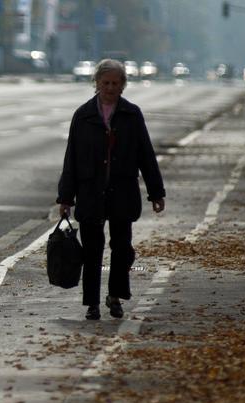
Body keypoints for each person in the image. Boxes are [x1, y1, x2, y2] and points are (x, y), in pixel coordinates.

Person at [56, 59, 166, 320]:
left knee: (122, 248)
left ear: (123, 85)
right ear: (96, 83)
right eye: (105, 83)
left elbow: (145, 155)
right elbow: (71, 158)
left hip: (122, 192)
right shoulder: (83, 116)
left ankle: (115, 296)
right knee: (92, 250)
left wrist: (156, 192)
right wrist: (65, 197)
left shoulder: (131, 114)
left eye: (116, 83)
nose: (110, 88)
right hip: (91, 192)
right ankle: (92, 303)